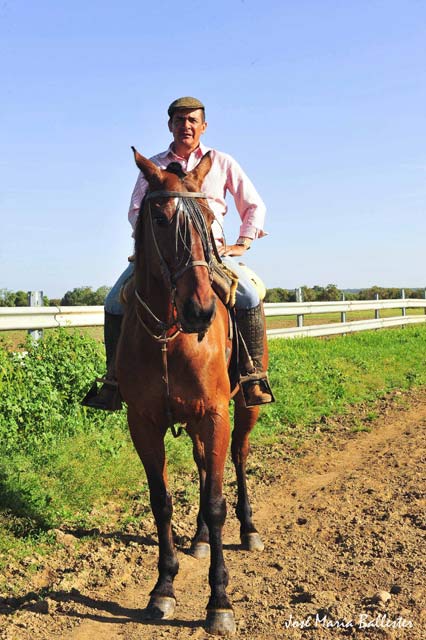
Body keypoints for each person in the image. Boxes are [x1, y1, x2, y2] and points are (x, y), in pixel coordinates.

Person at [83, 96, 273, 410]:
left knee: (249, 297)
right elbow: (135, 210)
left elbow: (254, 205)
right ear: (170, 125)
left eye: (192, 120)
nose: (186, 126)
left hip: (208, 254)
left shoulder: (222, 162)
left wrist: (243, 241)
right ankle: (114, 380)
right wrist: (154, 239)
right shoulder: (154, 166)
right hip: (160, 254)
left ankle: (251, 374)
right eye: (179, 120)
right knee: (114, 301)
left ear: (203, 126)